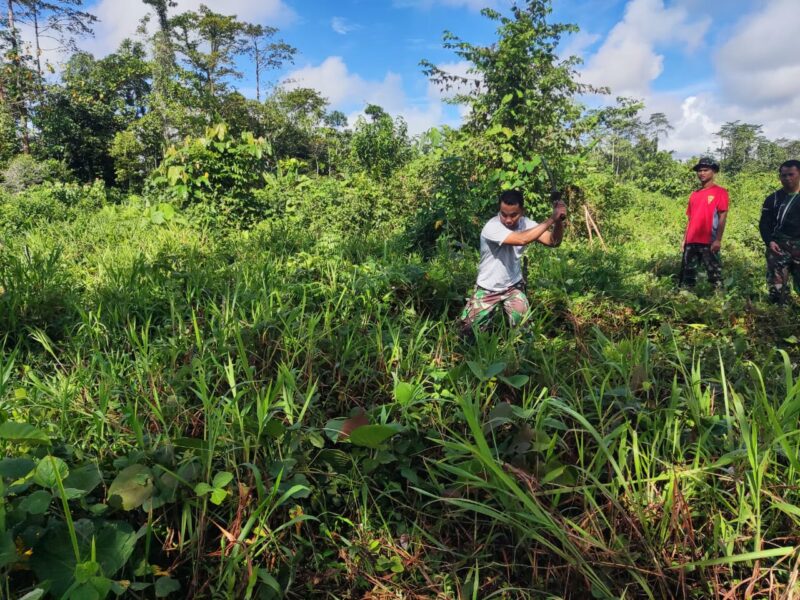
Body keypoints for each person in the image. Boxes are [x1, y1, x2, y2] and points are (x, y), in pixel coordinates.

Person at [459, 189, 566, 336]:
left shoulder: (526, 223)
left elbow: (553, 241)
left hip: (513, 287)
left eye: (513, 215)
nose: (508, 220)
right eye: (504, 214)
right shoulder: (492, 227)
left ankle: (520, 357)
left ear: (522, 211)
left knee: (524, 332)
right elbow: (522, 239)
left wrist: (559, 221)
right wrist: (551, 219)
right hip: (488, 289)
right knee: (467, 334)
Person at [679, 157, 729, 288]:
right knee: (687, 275)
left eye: (705, 170)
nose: (702, 173)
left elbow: (722, 216)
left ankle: (718, 302)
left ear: (714, 172)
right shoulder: (694, 194)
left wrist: (718, 239)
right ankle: (685, 299)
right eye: (699, 171)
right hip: (691, 241)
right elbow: (690, 219)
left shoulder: (720, 192)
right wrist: (684, 240)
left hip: (709, 241)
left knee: (715, 276)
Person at [759, 159, 800, 304]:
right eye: (784, 175)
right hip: (778, 247)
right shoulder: (773, 199)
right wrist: (769, 241)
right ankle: (779, 313)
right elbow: (764, 224)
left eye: (791, 174)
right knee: (777, 288)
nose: (787, 178)